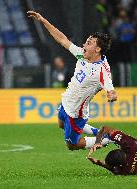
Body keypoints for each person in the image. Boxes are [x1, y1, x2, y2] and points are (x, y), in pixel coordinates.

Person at [27, 11, 117, 150]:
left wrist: (111, 94)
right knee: (61, 124)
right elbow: (62, 39)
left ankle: (105, 140)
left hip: (76, 113)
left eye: (88, 43)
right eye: (86, 41)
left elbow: (110, 88)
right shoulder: (82, 54)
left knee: (72, 145)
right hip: (66, 101)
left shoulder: (102, 70)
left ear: (97, 49)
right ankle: (99, 133)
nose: (84, 45)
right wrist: (43, 20)